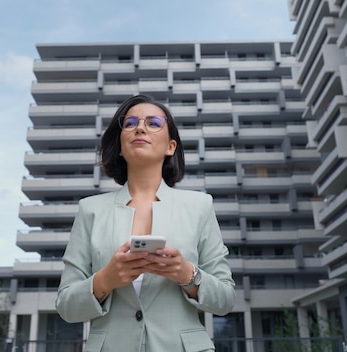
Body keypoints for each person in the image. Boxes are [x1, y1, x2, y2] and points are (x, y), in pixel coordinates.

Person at [56, 94, 236, 352]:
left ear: (170, 146)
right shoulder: (90, 210)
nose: (139, 127)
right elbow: (65, 306)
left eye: (153, 123)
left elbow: (226, 300)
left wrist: (187, 275)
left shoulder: (200, 206)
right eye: (129, 123)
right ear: (120, 146)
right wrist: (106, 279)